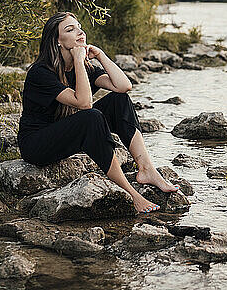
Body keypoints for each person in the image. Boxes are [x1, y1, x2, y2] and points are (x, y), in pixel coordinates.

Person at [17, 11, 179, 213]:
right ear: (57, 40)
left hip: (65, 132)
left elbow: (123, 86)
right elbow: (84, 103)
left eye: (79, 27)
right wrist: (78, 60)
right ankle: (131, 193)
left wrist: (101, 56)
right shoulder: (41, 73)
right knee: (91, 116)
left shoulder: (84, 67)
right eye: (70, 29)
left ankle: (146, 169)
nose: (80, 32)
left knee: (119, 101)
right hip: (37, 144)